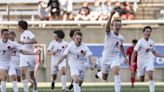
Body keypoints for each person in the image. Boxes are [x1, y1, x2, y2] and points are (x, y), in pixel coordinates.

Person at [95, 11, 128, 92]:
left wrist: (125, 57)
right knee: (104, 77)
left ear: (120, 27)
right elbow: (107, 27)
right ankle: (99, 73)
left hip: (115, 58)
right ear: (112, 26)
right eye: (116, 25)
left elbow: (120, 46)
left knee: (116, 72)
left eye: (119, 25)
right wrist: (111, 15)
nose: (117, 27)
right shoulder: (109, 34)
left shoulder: (121, 38)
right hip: (105, 58)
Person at [131, 26, 164, 92]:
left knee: (150, 75)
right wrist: (132, 62)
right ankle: (140, 74)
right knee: (142, 79)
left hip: (149, 60)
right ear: (144, 32)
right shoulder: (140, 42)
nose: (148, 33)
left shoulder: (151, 42)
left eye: (149, 31)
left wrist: (162, 56)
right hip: (140, 62)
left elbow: (154, 52)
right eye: (147, 31)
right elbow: (134, 53)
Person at [18, 20, 38, 92]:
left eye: (18, 26)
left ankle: (35, 88)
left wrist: (24, 42)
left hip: (30, 56)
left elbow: (34, 41)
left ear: (21, 27)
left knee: (31, 75)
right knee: (22, 73)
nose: (18, 28)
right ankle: (26, 90)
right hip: (23, 56)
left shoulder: (28, 33)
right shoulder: (21, 34)